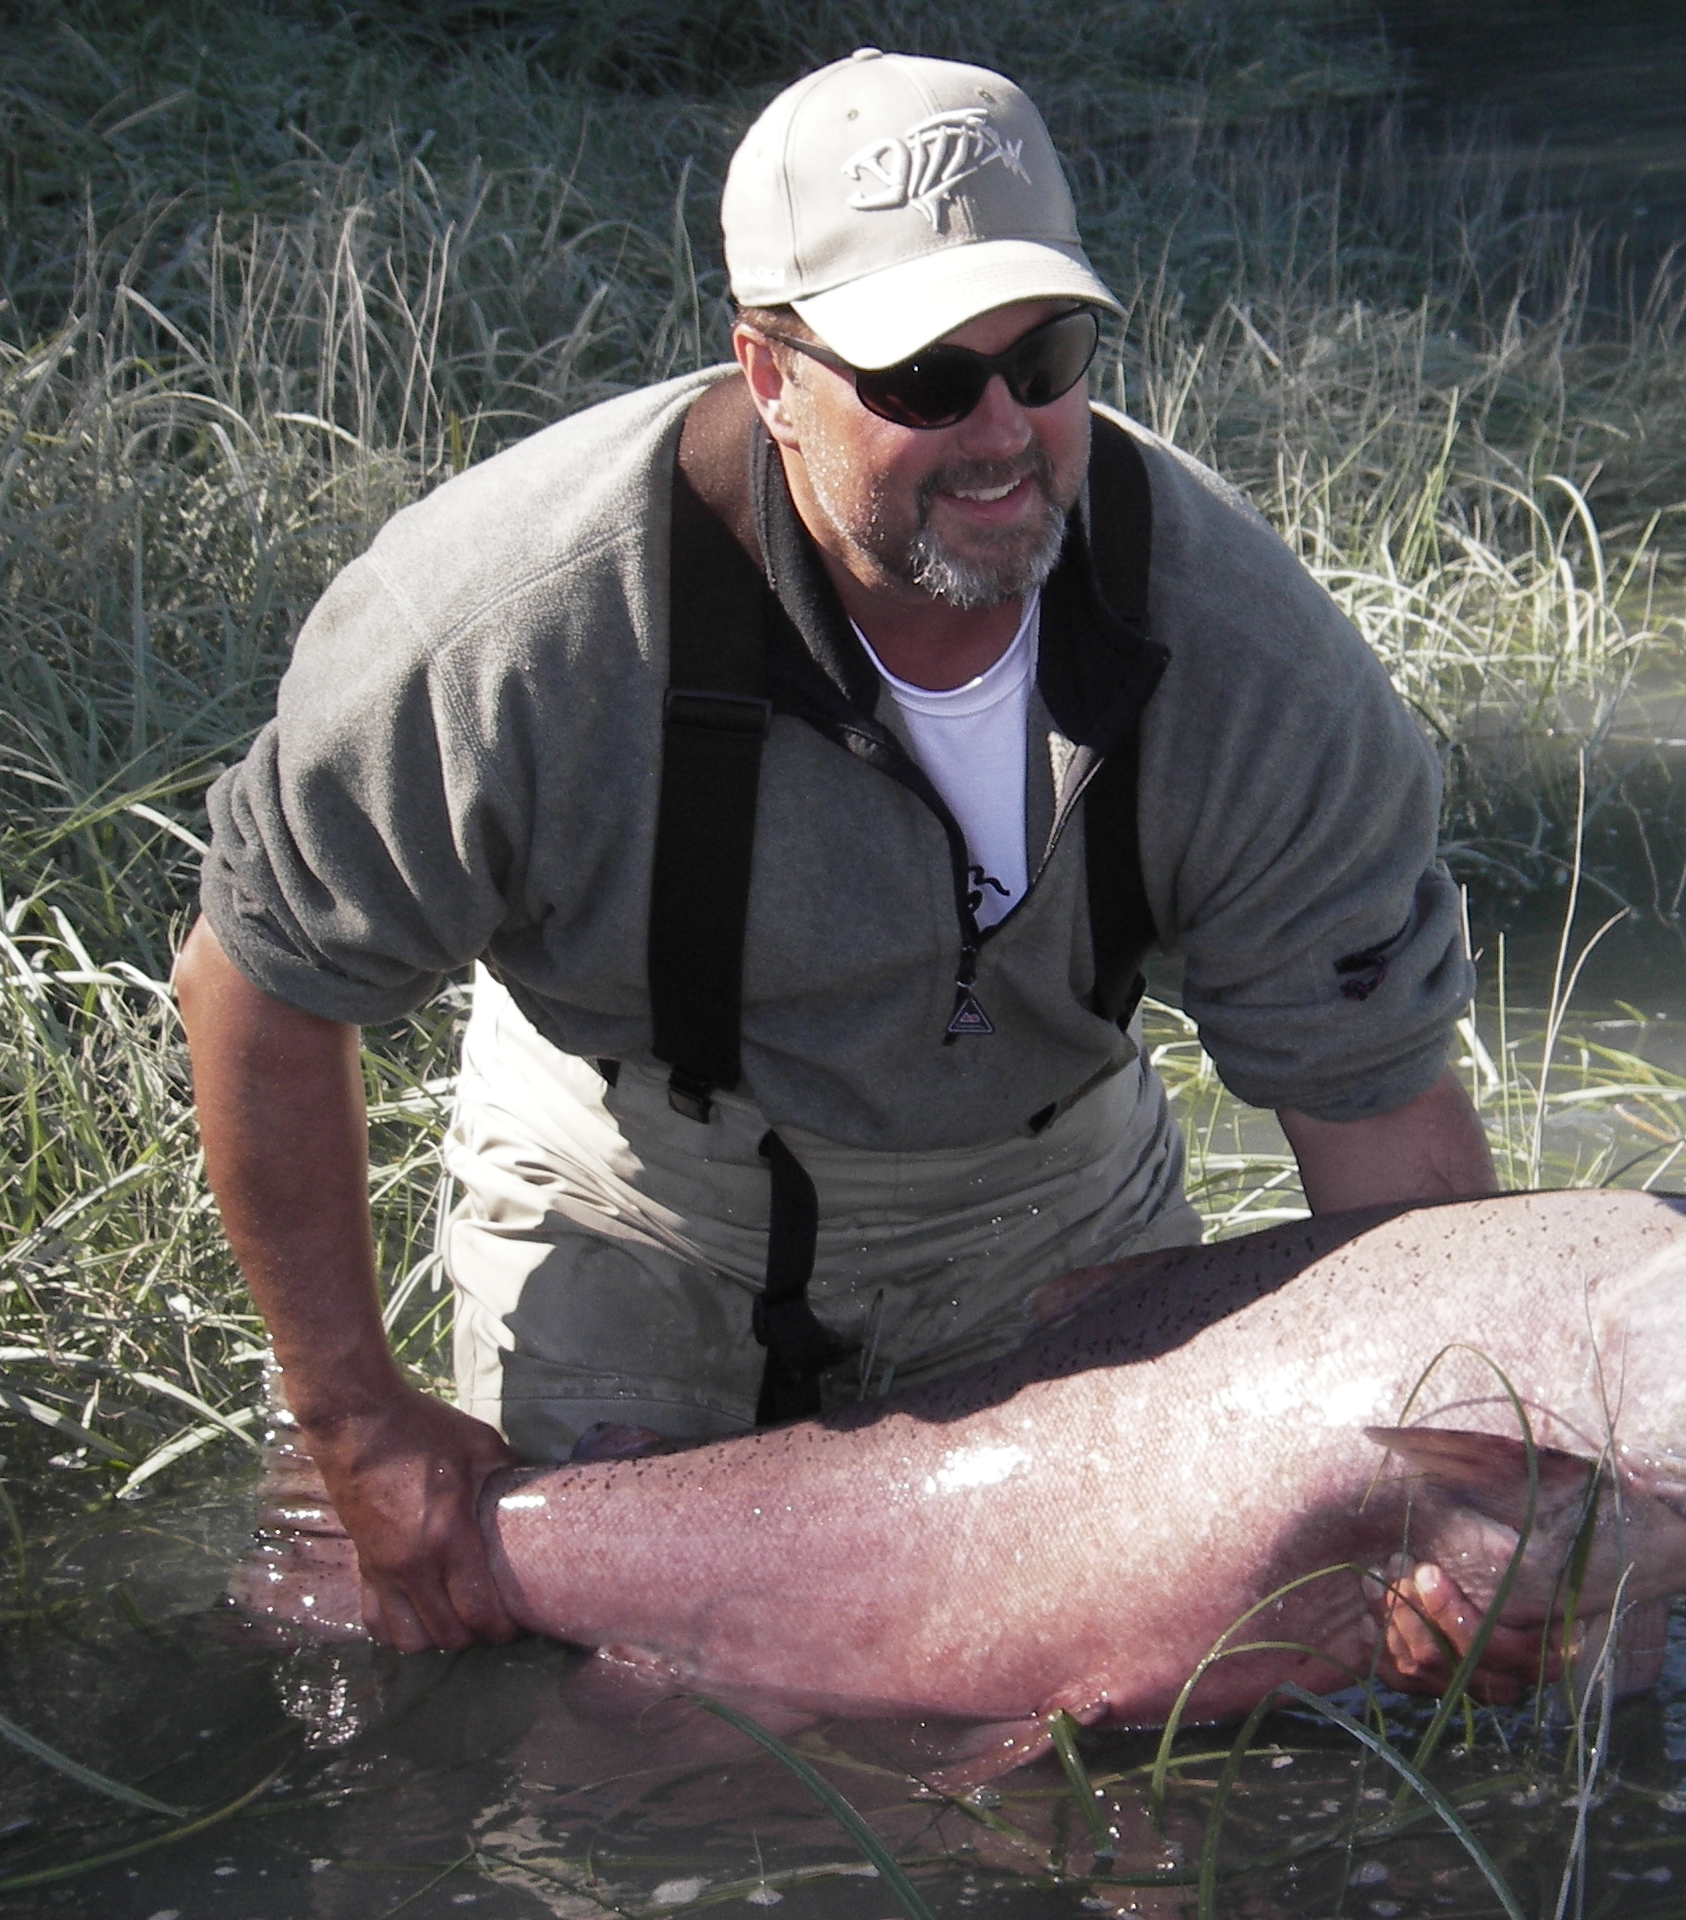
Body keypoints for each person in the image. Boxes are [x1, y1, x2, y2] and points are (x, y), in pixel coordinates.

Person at [177, 49, 1514, 1689]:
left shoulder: (1254, 664)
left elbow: (1383, 1123)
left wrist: (1491, 1491)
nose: (1005, 432)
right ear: (768, 371)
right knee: (594, 1758)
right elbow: (255, 985)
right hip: (635, 1198)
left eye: (1048, 356)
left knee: (1131, 1780)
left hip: (1052, 1196)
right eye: (926, 383)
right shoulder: (494, 633)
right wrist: (356, 1418)